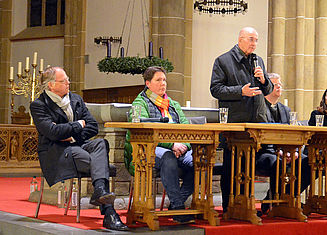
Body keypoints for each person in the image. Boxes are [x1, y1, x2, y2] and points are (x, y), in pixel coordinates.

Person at [30, 67, 128, 231]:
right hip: (57, 152)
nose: (69, 82)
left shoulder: (76, 99)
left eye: (67, 78)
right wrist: (77, 124)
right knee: (100, 165)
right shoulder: (39, 105)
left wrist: (71, 134)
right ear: (51, 85)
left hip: (77, 144)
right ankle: (110, 214)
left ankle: (100, 192)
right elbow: (52, 133)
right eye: (64, 80)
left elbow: (92, 127)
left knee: (100, 144)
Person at [210, 27, 273, 213]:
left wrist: (263, 81)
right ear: (240, 39)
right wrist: (240, 91)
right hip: (235, 126)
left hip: (256, 124)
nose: (254, 44)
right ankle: (230, 207)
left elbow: (268, 91)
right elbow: (215, 89)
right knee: (231, 168)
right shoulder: (223, 61)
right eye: (251, 39)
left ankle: (245, 205)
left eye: (256, 40)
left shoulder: (258, 60)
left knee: (248, 168)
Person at [123, 66, 195, 224]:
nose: (163, 83)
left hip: (177, 149)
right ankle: (178, 208)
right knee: (168, 157)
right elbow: (143, 132)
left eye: (164, 80)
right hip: (144, 151)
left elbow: (187, 129)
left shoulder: (173, 105)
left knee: (201, 162)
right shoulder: (140, 103)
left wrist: (184, 145)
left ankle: (178, 202)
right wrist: (172, 145)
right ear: (148, 83)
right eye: (158, 80)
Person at [256, 73, 311, 215]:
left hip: (285, 151)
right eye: (275, 84)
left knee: (310, 162)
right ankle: (274, 201)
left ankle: (288, 196)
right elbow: (260, 135)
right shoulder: (259, 107)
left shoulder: (285, 110)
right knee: (278, 162)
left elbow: (290, 134)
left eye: (280, 84)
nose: (279, 86)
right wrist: (278, 152)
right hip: (264, 152)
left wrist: (293, 152)